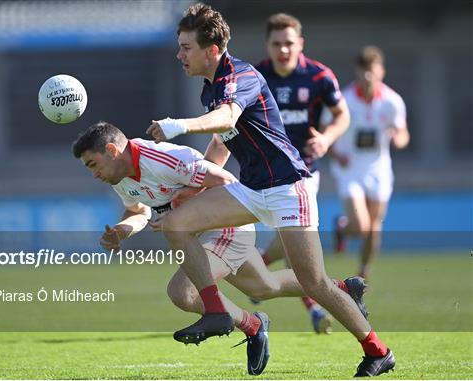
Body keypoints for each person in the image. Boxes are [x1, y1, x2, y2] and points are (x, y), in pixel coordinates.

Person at [146, 3, 394, 377]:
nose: (179, 54)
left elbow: (228, 116)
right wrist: (193, 185)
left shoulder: (241, 75)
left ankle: (378, 350)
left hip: (287, 189)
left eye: (186, 47)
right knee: (176, 222)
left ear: (212, 49)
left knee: (315, 283)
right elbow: (223, 141)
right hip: (250, 190)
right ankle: (216, 311)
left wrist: (177, 125)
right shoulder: (210, 88)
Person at [71, 121, 366, 376]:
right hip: (201, 238)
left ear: (111, 151)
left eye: (92, 165)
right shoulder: (120, 176)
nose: (94, 175)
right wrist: (122, 231)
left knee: (183, 292)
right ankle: (342, 288)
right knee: (264, 287)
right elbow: (139, 211)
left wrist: (180, 205)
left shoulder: (164, 158)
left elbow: (227, 182)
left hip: (228, 228)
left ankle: (252, 325)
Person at [252, 13, 351, 334]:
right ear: (268, 45)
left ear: (301, 44)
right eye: (277, 44)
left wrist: (326, 138)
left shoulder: (319, 76)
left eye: (289, 43)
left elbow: (341, 115)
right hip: (264, 172)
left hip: (304, 172)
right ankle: (267, 271)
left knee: (292, 239)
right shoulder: (255, 76)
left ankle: (307, 304)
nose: (283, 50)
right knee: (293, 242)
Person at [330, 46, 410, 279]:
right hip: (349, 168)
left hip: (378, 168)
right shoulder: (343, 100)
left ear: (381, 72)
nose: (367, 77)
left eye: (372, 72)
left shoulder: (392, 101)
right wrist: (336, 154)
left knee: (374, 226)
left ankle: (363, 275)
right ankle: (343, 228)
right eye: (363, 72)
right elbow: (328, 133)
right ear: (357, 72)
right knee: (361, 226)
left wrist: (398, 139)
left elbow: (403, 133)